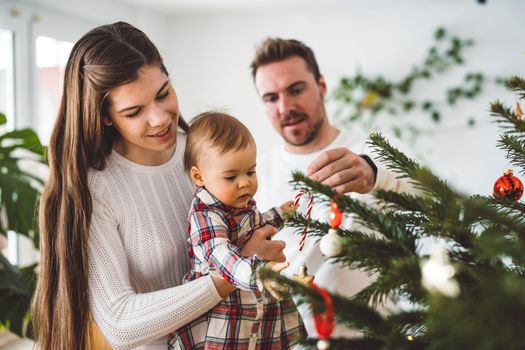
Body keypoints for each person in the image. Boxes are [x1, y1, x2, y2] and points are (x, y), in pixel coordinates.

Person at [31, 22, 286, 350]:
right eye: (134, 111)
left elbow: (236, 230)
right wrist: (231, 275)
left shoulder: (203, 153)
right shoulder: (98, 189)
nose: (160, 119)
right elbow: (120, 324)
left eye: (163, 93)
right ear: (106, 116)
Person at [250, 37, 414, 337]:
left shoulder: (372, 150)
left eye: (296, 90)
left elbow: (429, 201)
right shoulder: (254, 176)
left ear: (322, 85)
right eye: (271, 98)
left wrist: (374, 173)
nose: (285, 107)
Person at [168, 112, 306, 349]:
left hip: (255, 307)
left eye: (250, 172)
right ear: (199, 176)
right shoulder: (205, 214)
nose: (244, 183)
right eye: (231, 176)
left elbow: (253, 227)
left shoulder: (240, 204)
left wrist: (281, 213)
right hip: (225, 312)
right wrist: (257, 273)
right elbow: (221, 255)